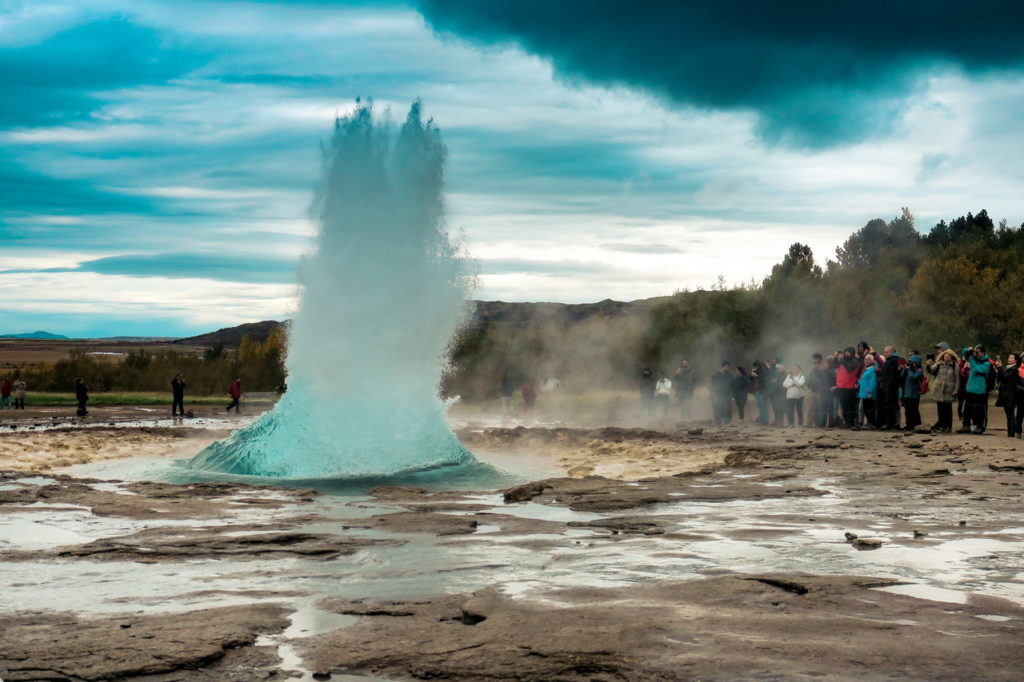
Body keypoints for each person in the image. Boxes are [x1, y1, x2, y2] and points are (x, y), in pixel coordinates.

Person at [958, 346, 992, 434]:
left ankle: (979, 426)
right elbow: (964, 354)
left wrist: (972, 360)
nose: (975, 353)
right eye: (975, 352)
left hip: (980, 389)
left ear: (982, 352)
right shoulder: (974, 359)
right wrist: (968, 350)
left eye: (977, 352)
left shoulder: (987, 363)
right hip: (970, 389)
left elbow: (977, 369)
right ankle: (966, 425)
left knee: (979, 410)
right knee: (967, 409)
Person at [927, 349, 960, 433]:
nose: (946, 358)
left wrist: (956, 390)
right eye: (945, 356)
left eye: (948, 357)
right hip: (938, 389)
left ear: (951, 357)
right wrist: (929, 365)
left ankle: (948, 426)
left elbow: (957, 378)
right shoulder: (939, 363)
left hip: (949, 390)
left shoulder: (955, 365)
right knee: (940, 409)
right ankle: (941, 425)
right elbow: (931, 371)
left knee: (948, 409)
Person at [835, 347, 862, 428]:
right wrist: (836, 358)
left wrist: (842, 360)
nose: (846, 353)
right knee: (844, 406)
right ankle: (846, 422)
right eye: (845, 351)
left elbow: (850, 368)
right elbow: (833, 366)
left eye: (848, 352)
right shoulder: (842, 361)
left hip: (850, 387)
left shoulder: (855, 360)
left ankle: (852, 422)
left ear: (852, 353)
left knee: (850, 406)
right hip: (841, 386)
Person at [995, 353, 1020, 438]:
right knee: (1008, 414)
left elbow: (1005, 377)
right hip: (1005, 393)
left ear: (1016, 360)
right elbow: (1001, 378)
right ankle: (1010, 432)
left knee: (1010, 414)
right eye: (1009, 357)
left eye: (1012, 358)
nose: (1010, 359)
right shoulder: (1007, 368)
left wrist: (1000, 367)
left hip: (1011, 394)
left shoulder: (1014, 369)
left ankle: (1012, 432)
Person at [879, 347, 903, 430]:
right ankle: (892, 423)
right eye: (884, 352)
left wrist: (888, 386)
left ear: (892, 352)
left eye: (887, 352)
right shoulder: (890, 360)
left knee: (890, 405)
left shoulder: (892, 360)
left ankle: (890, 424)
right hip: (889, 386)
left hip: (891, 387)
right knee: (890, 405)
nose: (885, 354)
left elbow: (892, 375)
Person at [903, 355, 925, 431]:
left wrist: (909, 370)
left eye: (911, 363)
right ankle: (909, 425)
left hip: (914, 394)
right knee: (907, 411)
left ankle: (916, 425)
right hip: (907, 393)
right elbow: (901, 376)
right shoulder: (909, 370)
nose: (910, 364)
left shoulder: (919, 370)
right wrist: (904, 369)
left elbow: (913, 378)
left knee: (914, 410)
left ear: (916, 363)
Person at [858, 355, 880, 428]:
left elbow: (873, 382)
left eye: (867, 359)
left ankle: (871, 423)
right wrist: (858, 383)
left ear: (872, 361)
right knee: (866, 409)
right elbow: (864, 381)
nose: (865, 361)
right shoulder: (867, 370)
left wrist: (870, 392)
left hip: (868, 393)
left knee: (869, 409)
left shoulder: (872, 370)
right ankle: (869, 423)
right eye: (865, 359)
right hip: (864, 393)